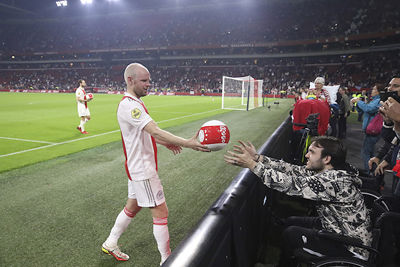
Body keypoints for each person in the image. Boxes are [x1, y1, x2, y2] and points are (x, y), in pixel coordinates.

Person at [101, 63, 210, 264]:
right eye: (144, 80)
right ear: (130, 80)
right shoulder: (130, 105)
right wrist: (188, 143)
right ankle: (166, 260)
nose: (148, 84)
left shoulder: (134, 103)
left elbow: (146, 133)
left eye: (149, 80)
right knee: (161, 211)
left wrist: (165, 142)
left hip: (136, 168)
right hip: (142, 169)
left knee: (133, 207)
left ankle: (110, 242)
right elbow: (155, 130)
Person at [224, 136, 372, 266]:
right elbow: (292, 170)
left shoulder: (332, 181)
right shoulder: (334, 170)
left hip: (350, 247)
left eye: (312, 152)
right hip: (337, 228)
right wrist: (258, 158)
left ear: (327, 159)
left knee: (291, 233)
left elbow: (289, 185)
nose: (307, 155)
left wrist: (252, 165)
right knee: (291, 221)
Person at [351, 85, 381, 170]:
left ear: (379, 91)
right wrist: (357, 104)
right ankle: (374, 171)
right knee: (371, 153)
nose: (372, 90)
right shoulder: (375, 100)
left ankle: (369, 173)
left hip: (373, 130)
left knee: (365, 153)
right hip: (371, 130)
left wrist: (359, 102)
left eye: (374, 89)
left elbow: (368, 109)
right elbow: (364, 110)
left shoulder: (378, 100)